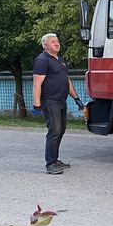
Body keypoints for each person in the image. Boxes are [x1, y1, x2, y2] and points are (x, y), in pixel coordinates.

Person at [32, 33, 84, 175]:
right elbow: (37, 84)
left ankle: (55, 160)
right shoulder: (42, 60)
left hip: (61, 100)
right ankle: (50, 164)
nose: (57, 43)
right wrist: (36, 104)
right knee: (54, 131)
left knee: (60, 130)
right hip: (50, 101)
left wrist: (76, 98)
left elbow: (66, 80)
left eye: (57, 41)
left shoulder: (60, 60)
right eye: (53, 42)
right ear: (45, 45)